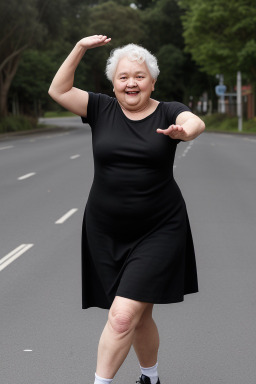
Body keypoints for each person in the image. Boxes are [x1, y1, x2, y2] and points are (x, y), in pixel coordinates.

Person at [48, 35, 205, 384]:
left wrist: (184, 132)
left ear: (152, 81)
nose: (131, 82)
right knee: (139, 315)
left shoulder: (168, 111)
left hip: (160, 229)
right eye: (123, 77)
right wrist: (79, 48)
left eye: (139, 76)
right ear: (113, 83)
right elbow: (58, 91)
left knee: (121, 317)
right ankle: (151, 377)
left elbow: (195, 122)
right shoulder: (100, 109)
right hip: (105, 230)